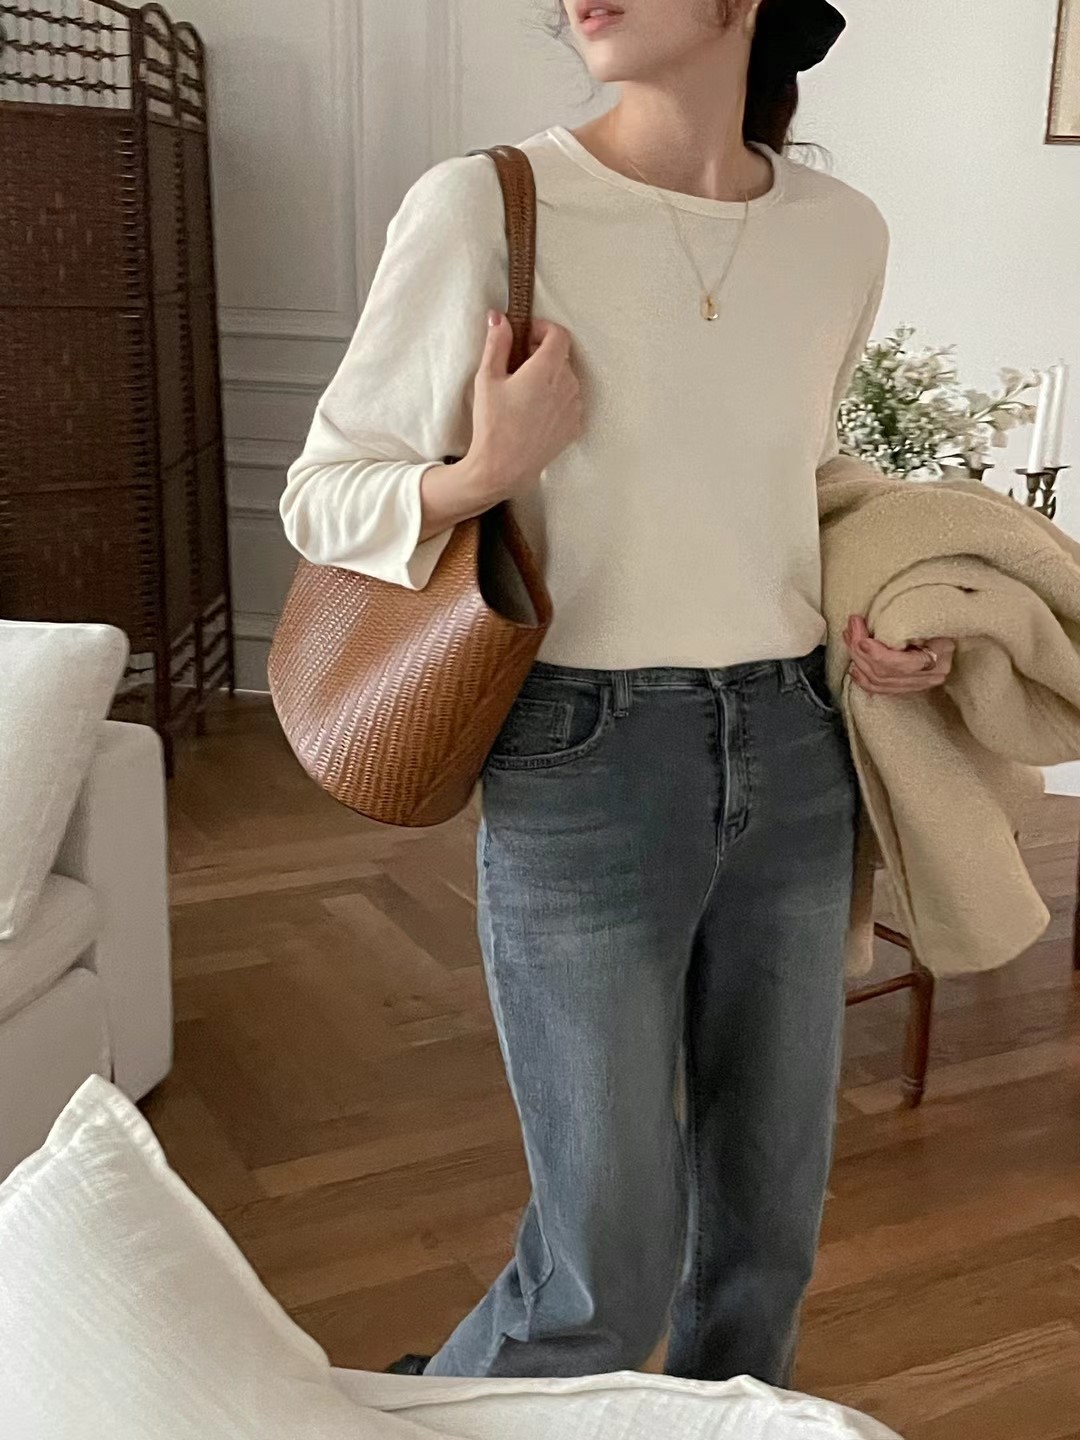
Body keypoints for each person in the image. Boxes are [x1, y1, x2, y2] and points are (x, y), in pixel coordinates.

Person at [281, 0, 955, 1386]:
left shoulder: (843, 233)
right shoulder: (484, 205)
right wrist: (482, 472)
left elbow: (795, 481)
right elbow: (320, 496)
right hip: (581, 756)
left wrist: (890, 612)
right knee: (604, 1263)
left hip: (798, 744)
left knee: (765, 1238)